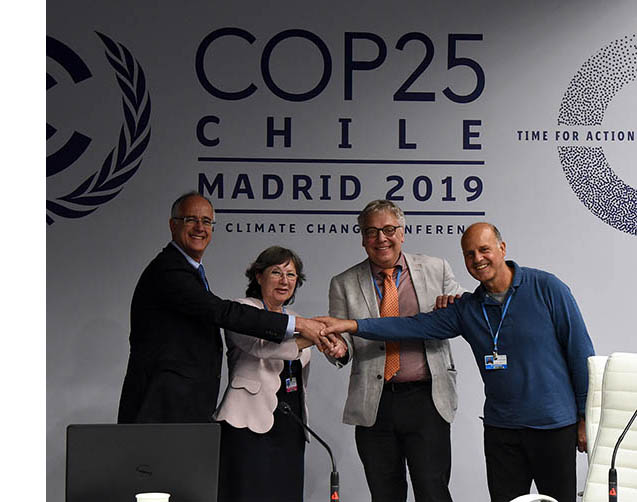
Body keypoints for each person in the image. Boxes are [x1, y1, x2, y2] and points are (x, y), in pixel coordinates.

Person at [318, 222, 595, 502]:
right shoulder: (467, 308)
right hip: (501, 431)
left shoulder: (547, 288)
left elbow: (581, 353)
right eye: (469, 254)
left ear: (502, 248)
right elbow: (411, 326)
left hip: (553, 426)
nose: (477, 259)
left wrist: (585, 417)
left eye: (484, 250)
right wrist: (351, 325)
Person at [117, 192, 325, 424]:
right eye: (190, 220)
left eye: (206, 221)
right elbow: (221, 312)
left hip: (184, 403)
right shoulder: (169, 270)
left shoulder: (189, 269)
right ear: (172, 224)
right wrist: (301, 326)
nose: (200, 227)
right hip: (162, 404)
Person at [325, 200, 465, 502]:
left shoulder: (437, 268)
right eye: (372, 232)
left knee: (433, 491)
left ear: (402, 232)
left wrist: (453, 303)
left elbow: (458, 312)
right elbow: (343, 342)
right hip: (374, 405)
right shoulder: (343, 283)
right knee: (385, 494)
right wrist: (337, 349)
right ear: (362, 238)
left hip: (427, 400)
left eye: (389, 229)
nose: (381, 239)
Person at [215, 246, 312, 502]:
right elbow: (262, 348)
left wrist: (333, 342)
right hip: (247, 423)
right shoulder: (242, 309)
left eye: (291, 275)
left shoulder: (297, 319)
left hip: (290, 424)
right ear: (259, 276)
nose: (284, 281)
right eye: (276, 272)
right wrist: (311, 337)